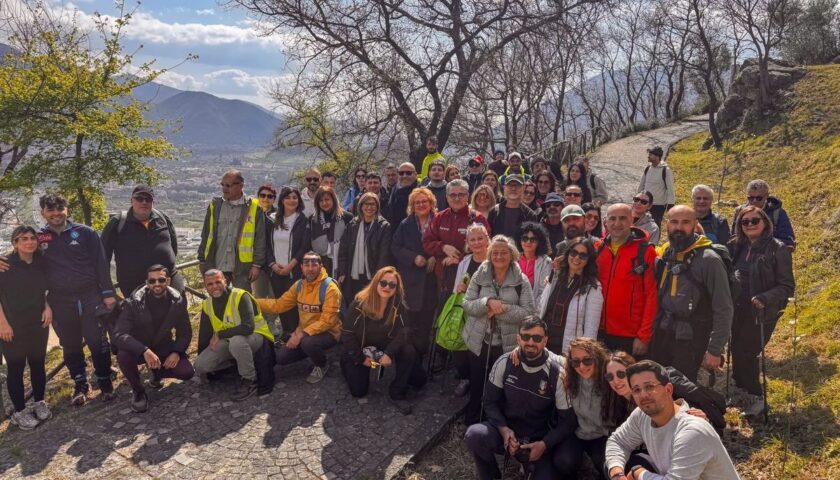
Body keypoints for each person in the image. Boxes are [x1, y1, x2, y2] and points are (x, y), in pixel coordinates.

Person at [464, 316, 574, 480]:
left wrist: (544, 444)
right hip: (507, 434)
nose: (530, 342)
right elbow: (489, 402)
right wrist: (503, 429)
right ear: (518, 339)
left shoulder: (557, 374)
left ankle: (531, 464)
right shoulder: (504, 362)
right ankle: (492, 476)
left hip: (538, 439)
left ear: (545, 341)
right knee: (474, 435)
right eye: (525, 337)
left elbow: (567, 421)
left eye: (537, 338)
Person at [38, 194, 117, 405]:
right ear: (43, 213)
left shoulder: (85, 233)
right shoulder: (38, 239)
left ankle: (104, 380)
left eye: (60, 208)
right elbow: (22, 258)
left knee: (97, 340)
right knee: (70, 345)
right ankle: (80, 384)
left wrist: (108, 294)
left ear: (67, 210)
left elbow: (102, 264)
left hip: (90, 295)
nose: (56, 213)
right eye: (50, 209)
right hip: (60, 300)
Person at [605, 360, 740, 480]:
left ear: (668, 389)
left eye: (649, 387)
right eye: (636, 390)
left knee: (634, 466)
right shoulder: (642, 415)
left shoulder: (692, 431)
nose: (643, 395)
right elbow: (618, 441)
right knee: (615, 464)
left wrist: (638, 473)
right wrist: (617, 475)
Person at [649, 205, 733, 382]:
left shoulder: (709, 260)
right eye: (674, 222)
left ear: (695, 225)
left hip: (693, 339)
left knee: (686, 393)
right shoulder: (666, 253)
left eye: (685, 222)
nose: (679, 227)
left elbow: (723, 307)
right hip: (663, 334)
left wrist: (715, 349)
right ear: (667, 225)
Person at [461, 235, 536, 424]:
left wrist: (501, 310)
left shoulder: (521, 280)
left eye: (503, 252)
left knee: (500, 385)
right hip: (479, 340)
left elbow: (529, 313)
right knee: (477, 382)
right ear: (489, 254)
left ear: (511, 255)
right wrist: (487, 303)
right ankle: (472, 420)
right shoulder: (481, 274)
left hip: (506, 344)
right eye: (495, 253)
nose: (499, 256)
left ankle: (495, 423)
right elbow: (467, 304)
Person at [728, 206, 794, 416]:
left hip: (761, 310)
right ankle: (741, 390)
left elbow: (787, 286)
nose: (749, 225)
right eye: (744, 222)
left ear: (765, 222)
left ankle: (757, 397)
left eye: (754, 220)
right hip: (737, 307)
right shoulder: (736, 246)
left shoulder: (778, 248)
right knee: (735, 348)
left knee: (747, 351)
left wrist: (765, 298)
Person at [340, 267, 426, 415]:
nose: (387, 287)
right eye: (383, 283)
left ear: (396, 288)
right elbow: (347, 333)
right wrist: (361, 359)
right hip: (361, 347)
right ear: (376, 282)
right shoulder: (360, 302)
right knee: (358, 391)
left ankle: (397, 392)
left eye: (392, 285)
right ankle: (346, 362)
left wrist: (389, 353)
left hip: (386, 343)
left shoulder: (398, 304)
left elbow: (404, 331)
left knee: (409, 351)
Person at [114, 265, 194, 413]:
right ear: (146, 282)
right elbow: (119, 334)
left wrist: (176, 352)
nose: (157, 284)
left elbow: (185, 332)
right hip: (139, 348)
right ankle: (138, 391)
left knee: (187, 372)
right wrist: (143, 350)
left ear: (168, 281)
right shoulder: (133, 302)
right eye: (152, 281)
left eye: (161, 280)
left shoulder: (177, 301)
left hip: (163, 346)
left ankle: (157, 373)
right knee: (123, 356)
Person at [256, 252, 342, 384]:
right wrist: (252, 301)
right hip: (304, 333)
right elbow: (279, 305)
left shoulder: (330, 288)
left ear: (321, 266)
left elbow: (327, 321)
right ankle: (312, 352)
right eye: (306, 265)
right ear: (301, 267)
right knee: (281, 358)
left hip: (329, 333)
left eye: (314, 264)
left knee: (309, 343)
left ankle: (322, 364)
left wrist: (300, 335)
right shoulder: (299, 285)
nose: (310, 268)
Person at [195, 269, 275, 401]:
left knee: (237, 342)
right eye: (210, 284)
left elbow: (248, 328)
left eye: (218, 282)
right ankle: (239, 363)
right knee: (200, 365)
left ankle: (250, 379)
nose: (214, 286)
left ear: (225, 281)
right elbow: (204, 334)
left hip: (256, 337)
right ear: (205, 287)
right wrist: (204, 367)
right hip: (229, 342)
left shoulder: (241, 296)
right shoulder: (206, 304)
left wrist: (220, 333)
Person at [0, 227, 52, 429]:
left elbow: (44, 290)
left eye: (32, 238)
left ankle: (39, 401)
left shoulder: (41, 263)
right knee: (16, 368)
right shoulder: (5, 265)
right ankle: (19, 412)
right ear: (15, 243)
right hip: (12, 325)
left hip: (38, 322)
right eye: (24, 239)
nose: (29, 242)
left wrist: (47, 307)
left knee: (38, 363)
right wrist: (2, 323)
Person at [604, 351, 726, 435]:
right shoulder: (616, 401)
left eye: (621, 374)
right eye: (609, 376)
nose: (615, 381)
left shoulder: (656, 395)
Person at [596, 204, 657, 356]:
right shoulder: (598, 248)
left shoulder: (646, 252)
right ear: (606, 222)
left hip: (629, 335)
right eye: (613, 219)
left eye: (623, 218)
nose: (617, 224)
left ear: (631, 220)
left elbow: (652, 296)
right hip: (599, 330)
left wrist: (643, 336)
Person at [101, 185, 181, 296]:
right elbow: (103, 257)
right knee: (142, 313)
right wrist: (107, 289)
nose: (144, 202)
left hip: (168, 279)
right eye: (139, 198)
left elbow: (173, 247)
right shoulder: (118, 223)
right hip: (134, 284)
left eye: (148, 199)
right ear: (131, 201)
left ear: (153, 202)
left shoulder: (162, 218)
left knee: (178, 310)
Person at [553, 337, 613, 479]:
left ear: (597, 358)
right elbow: (550, 356)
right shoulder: (568, 375)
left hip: (602, 435)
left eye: (587, 360)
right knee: (563, 462)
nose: (581, 366)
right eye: (576, 361)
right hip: (576, 433)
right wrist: (518, 350)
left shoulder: (610, 378)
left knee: (608, 465)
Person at [198, 169, 267, 291]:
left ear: (240, 186)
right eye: (223, 185)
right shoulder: (215, 206)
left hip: (242, 268)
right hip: (217, 265)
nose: (224, 188)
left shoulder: (254, 208)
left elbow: (260, 239)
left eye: (228, 185)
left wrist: (257, 265)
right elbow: (206, 234)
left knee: (241, 302)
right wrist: (202, 261)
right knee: (218, 301)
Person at [390, 188, 439, 358]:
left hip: (432, 280)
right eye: (417, 202)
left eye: (424, 201)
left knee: (426, 321)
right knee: (409, 320)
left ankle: (421, 355)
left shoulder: (439, 221)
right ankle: (408, 355)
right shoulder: (406, 224)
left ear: (431, 203)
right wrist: (413, 257)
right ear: (412, 205)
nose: (421, 205)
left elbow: (446, 243)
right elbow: (395, 247)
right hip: (410, 280)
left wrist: (435, 256)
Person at [423, 179, 491, 296]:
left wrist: (460, 258)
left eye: (461, 194)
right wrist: (443, 247)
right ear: (447, 197)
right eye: (453, 195)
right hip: (443, 278)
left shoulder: (477, 218)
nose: (457, 198)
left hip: (470, 278)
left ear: (467, 196)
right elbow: (427, 242)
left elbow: (486, 246)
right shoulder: (439, 218)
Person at [538, 238, 602, 355]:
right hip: (543, 344)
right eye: (574, 252)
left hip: (567, 349)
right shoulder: (556, 276)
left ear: (589, 260)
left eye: (583, 255)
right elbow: (541, 309)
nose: (577, 257)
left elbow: (591, 328)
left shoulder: (592, 287)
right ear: (567, 254)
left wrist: (585, 353)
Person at [451, 223, 492, 396]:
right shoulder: (465, 262)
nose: (476, 243)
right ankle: (465, 378)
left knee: (479, 354)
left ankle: (481, 385)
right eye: (472, 239)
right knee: (459, 349)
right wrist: (460, 288)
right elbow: (456, 290)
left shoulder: (494, 260)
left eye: (480, 238)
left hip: (486, 314)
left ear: (487, 239)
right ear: (467, 242)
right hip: (466, 312)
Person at [266, 186, 311, 340]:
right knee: (281, 304)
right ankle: (286, 334)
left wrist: (290, 266)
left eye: (295, 197)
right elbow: (266, 245)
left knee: (294, 305)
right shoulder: (272, 219)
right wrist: (272, 265)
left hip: (294, 271)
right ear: (282, 200)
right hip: (275, 271)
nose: (292, 200)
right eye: (288, 197)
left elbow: (304, 247)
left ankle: (296, 335)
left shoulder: (302, 220)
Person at [336, 192, 392, 303]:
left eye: (373, 204)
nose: (369, 207)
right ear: (360, 206)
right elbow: (343, 249)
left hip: (372, 274)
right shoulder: (353, 224)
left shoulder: (384, 226)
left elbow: (384, 254)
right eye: (366, 204)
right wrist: (342, 271)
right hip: (353, 275)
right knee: (354, 305)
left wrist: (378, 276)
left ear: (377, 207)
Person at [731, 179, 795, 247]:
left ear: (766, 195)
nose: (754, 201)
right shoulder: (740, 211)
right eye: (751, 198)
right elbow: (734, 237)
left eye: (759, 198)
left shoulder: (777, 213)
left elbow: (788, 241)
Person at [310, 186, 353, 276]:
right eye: (321, 201)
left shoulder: (347, 217)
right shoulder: (312, 220)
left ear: (333, 199)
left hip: (341, 262)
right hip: (320, 263)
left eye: (327, 199)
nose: (324, 203)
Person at [515, 222, 553, 307]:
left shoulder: (546, 262)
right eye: (525, 238)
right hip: (514, 308)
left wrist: (532, 312)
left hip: (534, 310)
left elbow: (543, 292)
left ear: (539, 242)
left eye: (533, 239)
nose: (528, 242)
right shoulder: (513, 260)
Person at [638, 146, 675, 227]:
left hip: (658, 205)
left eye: (651, 154)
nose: (649, 156)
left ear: (657, 156)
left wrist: (670, 204)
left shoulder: (666, 170)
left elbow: (670, 189)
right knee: (642, 225)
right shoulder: (648, 168)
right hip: (645, 203)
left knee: (655, 226)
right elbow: (641, 185)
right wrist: (637, 199)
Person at [386, 162, 419, 228]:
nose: (404, 176)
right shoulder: (394, 190)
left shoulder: (421, 192)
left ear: (415, 175)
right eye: (401, 173)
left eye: (408, 173)